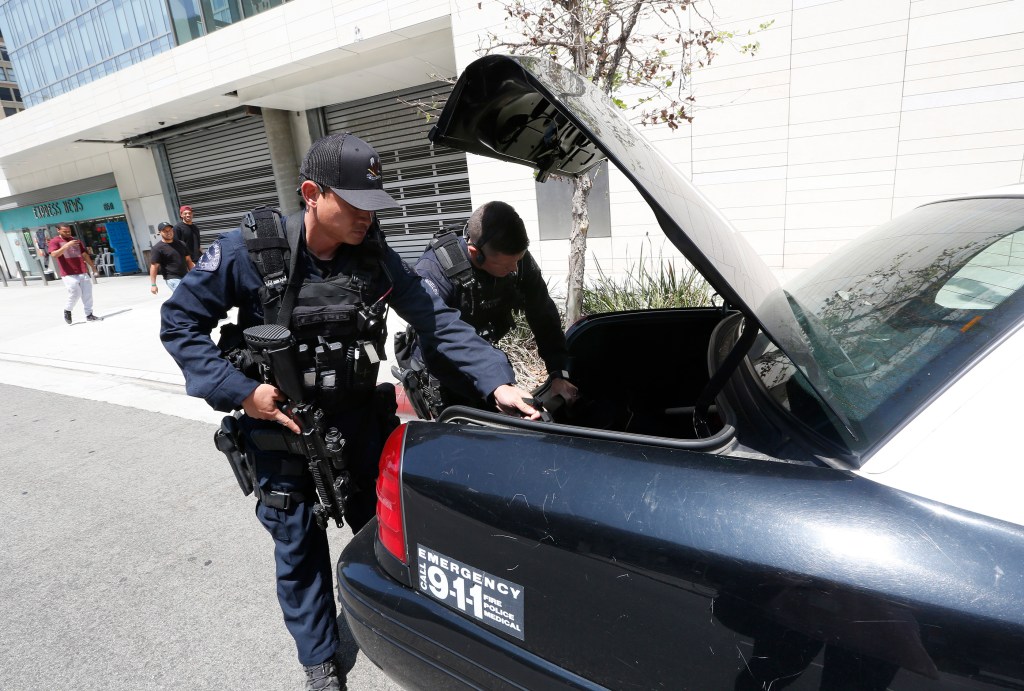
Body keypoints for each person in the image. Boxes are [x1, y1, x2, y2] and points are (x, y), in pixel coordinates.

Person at [160, 133, 539, 691]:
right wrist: (241, 391)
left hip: (361, 420)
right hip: (283, 425)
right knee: (298, 545)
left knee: (392, 530)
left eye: (374, 205)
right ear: (313, 194)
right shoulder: (251, 250)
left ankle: (410, 628)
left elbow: (433, 318)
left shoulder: (373, 255)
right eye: (356, 204)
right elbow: (179, 323)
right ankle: (320, 661)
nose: (368, 216)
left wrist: (496, 381)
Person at [398, 201, 579, 418]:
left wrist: (558, 372)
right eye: (505, 266)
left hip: (486, 364)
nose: (514, 269)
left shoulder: (515, 260)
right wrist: (494, 387)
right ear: (476, 253)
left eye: (518, 261)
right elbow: (440, 334)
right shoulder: (435, 270)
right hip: (444, 374)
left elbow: (543, 313)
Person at [47, 223, 101, 324]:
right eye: (65, 231)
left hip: (82, 270)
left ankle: (89, 315)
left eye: (69, 231)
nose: (68, 233)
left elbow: (84, 254)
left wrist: (93, 268)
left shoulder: (75, 240)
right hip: (68, 273)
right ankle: (67, 310)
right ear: (58, 230)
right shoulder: (55, 241)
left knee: (87, 294)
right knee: (75, 293)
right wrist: (67, 245)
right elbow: (54, 254)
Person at [149, 221, 194, 294]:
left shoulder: (181, 244)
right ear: (160, 232)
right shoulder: (157, 248)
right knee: (184, 295)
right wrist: (153, 284)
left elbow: (188, 260)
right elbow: (154, 266)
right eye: (165, 231)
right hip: (172, 278)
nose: (168, 232)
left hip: (185, 276)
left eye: (169, 230)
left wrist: (194, 275)